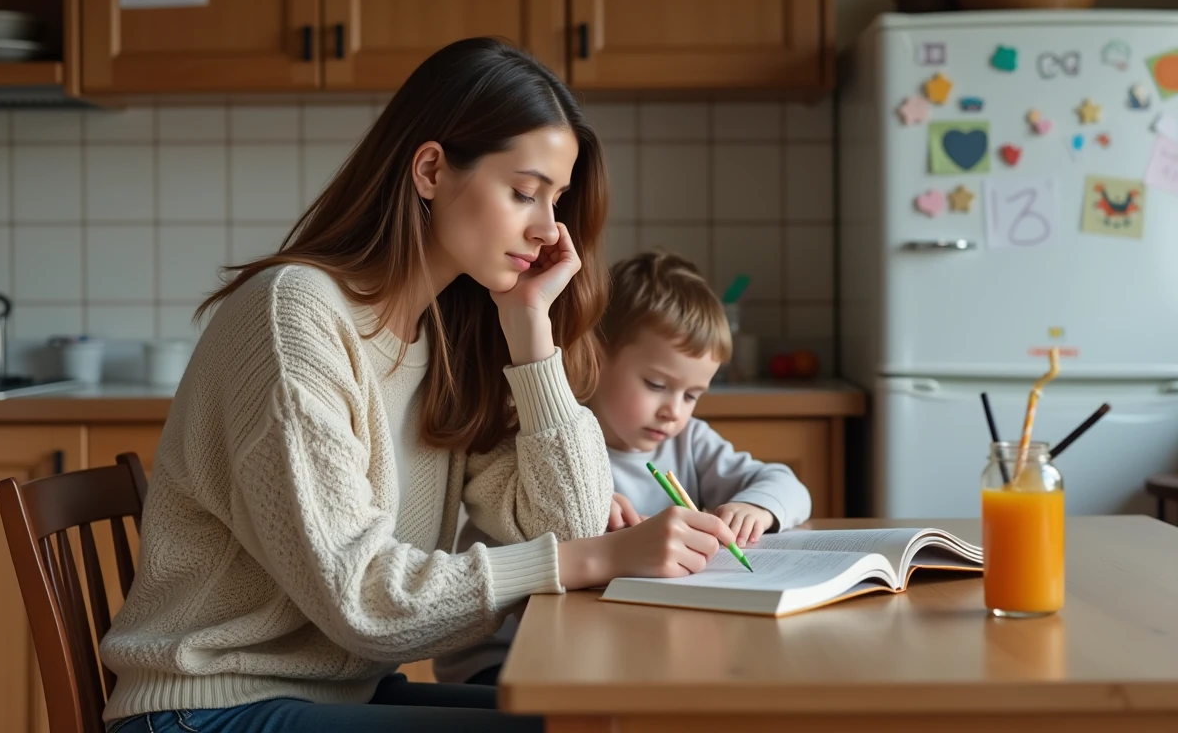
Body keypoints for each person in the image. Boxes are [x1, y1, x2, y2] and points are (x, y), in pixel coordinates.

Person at [99, 39, 737, 733]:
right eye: (524, 192)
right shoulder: (294, 316)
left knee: (611, 720)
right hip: (207, 708)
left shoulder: (449, 339)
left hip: (339, 694)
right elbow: (364, 603)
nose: (548, 229)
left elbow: (571, 525)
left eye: (555, 200)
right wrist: (599, 557)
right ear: (430, 170)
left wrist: (531, 330)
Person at [435, 249, 812, 686]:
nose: (673, 411)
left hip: (625, 646)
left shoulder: (688, 441)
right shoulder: (545, 440)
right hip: (507, 658)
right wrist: (586, 508)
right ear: (596, 356)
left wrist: (756, 506)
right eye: (657, 384)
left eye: (692, 395)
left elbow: (788, 486)